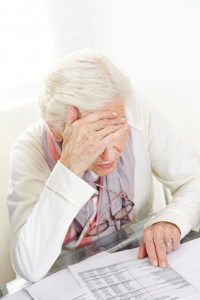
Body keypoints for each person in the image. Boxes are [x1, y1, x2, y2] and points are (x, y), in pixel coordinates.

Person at [7, 48, 200, 283]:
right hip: (64, 281)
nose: (109, 154)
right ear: (56, 130)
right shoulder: (28, 149)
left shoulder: (134, 110)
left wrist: (173, 218)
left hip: (136, 264)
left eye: (116, 131)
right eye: (94, 137)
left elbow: (193, 179)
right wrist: (70, 166)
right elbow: (29, 267)